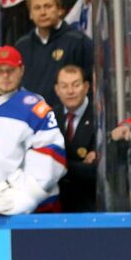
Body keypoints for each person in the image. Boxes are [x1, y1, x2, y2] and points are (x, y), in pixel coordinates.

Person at [0, 46, 65, 216]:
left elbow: (50, 155)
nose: (5, 75)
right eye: (0, 70)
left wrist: (27, 197)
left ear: (21, 70)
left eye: (11, 70)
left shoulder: (35, 108)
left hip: (29, 213)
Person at [15, 0, 94, 113]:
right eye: (37, 8)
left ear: (60, 10)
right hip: (30, 119)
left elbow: (91, 86)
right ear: (30, 14)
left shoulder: (78, 42)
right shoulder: (22, 46)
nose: (43, 12)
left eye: (48, 6)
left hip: (67, 122)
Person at [53, 65, 95, 213]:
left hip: (90, 206)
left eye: (76, 85)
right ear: (57, 90)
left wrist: (57, 162)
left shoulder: (100, 117)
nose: (70, 91)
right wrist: (77, 165)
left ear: (86, 86)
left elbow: (96, 171)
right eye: (64, 86)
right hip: (56, 206)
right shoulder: (49, 117)